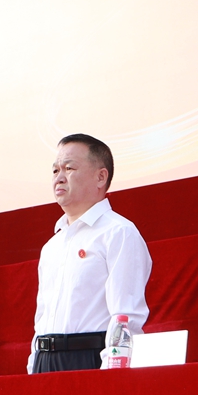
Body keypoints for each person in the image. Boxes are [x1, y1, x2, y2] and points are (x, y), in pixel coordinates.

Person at [30, 134, 151, 373]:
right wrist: (33, 365)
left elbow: (126, 317)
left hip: (88, 360)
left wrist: (111, 375)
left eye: (69, 168)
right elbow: (41, 318)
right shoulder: (51, 246)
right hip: (44, 361)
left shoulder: (118, 232)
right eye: (55, 170)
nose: (59, 177)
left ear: (100, 177)